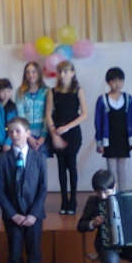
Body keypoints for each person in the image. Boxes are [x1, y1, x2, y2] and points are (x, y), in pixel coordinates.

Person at [0, 117, 49, 263]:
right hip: (13, 216)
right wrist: (12, 214)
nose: (14, 134)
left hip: (34, 216)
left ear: (28, 133)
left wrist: (33, 214)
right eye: (10, 131)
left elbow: (43, 188)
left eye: (18, 131)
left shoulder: (39, 158)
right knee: (14, 254)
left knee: (34, 254)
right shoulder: (2, 159)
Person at [46, 60, 88, 214]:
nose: (62, 75)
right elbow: (48, 115)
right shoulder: (52, 91)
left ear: (72, 73)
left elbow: (84, 114)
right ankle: (64, 201)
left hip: (72, 133)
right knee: (61, 167)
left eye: (66, 71)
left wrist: (68, 127)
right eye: (60, 72)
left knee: (72, 165)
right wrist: (54, 133)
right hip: (57, 132)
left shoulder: (78, 91)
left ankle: (73, 200)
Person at [94, 67, 132, 192]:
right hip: (109, 140)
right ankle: (112, 194)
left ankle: (122, 193)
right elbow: (98, 122)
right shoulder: (102, 100)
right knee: (111, 170)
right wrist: (99, 142)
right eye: (114, 81)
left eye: (120, 80)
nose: (117, 84)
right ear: (108, 82)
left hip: (123, 139)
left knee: (122, 169)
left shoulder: (128, 99)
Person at [15, 61, 50, 158]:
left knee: (42, 163)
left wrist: (43, 137)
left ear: (39, 73)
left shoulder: (47, 91)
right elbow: (20, 115)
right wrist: (28, 136)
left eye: (33, 72)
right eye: (28, 72)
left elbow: (48, 115)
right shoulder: (20, 92)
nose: (30, 75)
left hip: (43, 131)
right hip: (26, 132)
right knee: (28, 163)